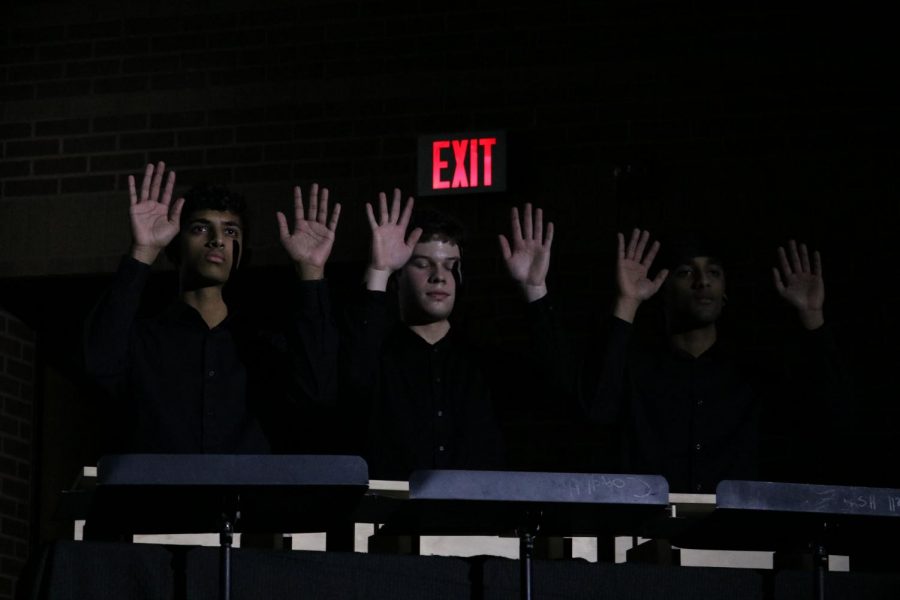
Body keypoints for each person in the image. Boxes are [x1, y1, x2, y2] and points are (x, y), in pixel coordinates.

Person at [83, 161, 341, 454]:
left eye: (231, 232)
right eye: (200, 228)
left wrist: (311, 272)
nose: (217, 240)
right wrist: (142, 251)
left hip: (244, 500)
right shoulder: (145, 340)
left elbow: (318, 393)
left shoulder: (264, 347)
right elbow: (99, 363)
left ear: (241, 255)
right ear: (175, 245)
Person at [584, 229, 849, 492]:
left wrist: (812, 317)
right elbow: (598, 412)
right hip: (650, 530)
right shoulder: (637, 369)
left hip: (735, 531)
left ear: (725, 294)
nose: (703, 282)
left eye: (714, 273)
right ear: (663, 290)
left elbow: (834, 417)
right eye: (686, 272)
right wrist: (627, 302)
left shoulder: (753, 372)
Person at [339, 190, 558, 479]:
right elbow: (352, 383)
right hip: (396, 522)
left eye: (450, 265)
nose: (439, 276)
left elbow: (556, 393)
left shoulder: (483, 363)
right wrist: (379, 271)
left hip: (477, 522)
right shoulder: (377, 358)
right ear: (398, 276)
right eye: (423, 263)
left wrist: (535, 290)